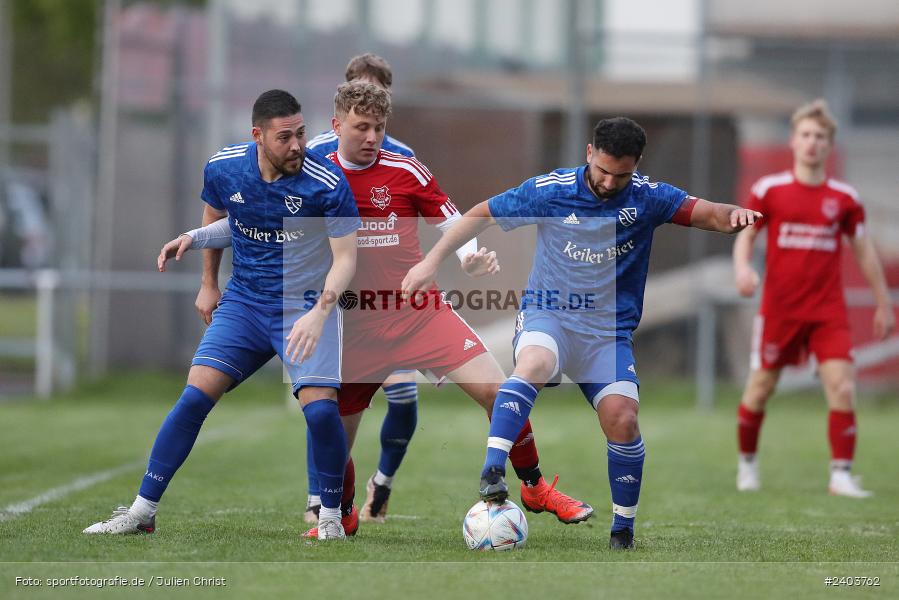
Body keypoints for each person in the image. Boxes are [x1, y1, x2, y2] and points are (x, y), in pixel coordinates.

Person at [165, 82, 594, 539]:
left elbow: (450, 217)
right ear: (336, 127)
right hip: (353, 326)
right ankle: (343, 509)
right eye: (362, 127)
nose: (372, 137)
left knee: (498, 390)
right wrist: (206, 263)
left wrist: (469, 253)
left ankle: (535, 487)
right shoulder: (311, 174)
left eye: (380, 128)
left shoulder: (405, 169)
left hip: (417, 314)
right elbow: (246, 218)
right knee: (332, 426)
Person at [401, 116, 762, 550]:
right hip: (549, 314)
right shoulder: (551, 190)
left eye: (621, 174)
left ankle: (622, 531)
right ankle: (493, 470)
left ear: (637, 164)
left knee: (623, 419)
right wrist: (430, 262)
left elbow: (711, 215)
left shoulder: (649, 198)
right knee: (534, 363)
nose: (609, 182)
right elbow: (480, 214)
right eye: (602, 170)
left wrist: (735, 215)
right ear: (589, 154)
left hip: (606, 333)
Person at [83, 90, 361, 541]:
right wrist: (207, 277)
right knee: (194, 398)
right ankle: (141, 511)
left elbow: (346, 259)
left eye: (302, 134)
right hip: (246, 303)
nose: (297, 145)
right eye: (285, 137)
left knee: (320, 413)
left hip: (307, 305)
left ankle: (330, 518)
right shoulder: (224, 166)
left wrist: (320, 313)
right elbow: (225, 218)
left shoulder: (325, 183)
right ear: (258, 136)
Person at [732, 99, 895, 497]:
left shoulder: (844, 198)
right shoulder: (769, 190)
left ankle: (841, 475)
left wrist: (883, 302)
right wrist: (742, 269)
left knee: (842, 387)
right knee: (760, 390)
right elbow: (746, 235)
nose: (812, 142)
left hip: (827, 313)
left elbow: (863, 250)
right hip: (780, 310)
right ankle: (747, 465)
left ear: (829, 145)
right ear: (793, 140)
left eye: (820, 136)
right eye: (805, 134)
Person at [305, 53, 417, 525]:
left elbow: (420, 221)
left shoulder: (404, 159)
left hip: (387, 301)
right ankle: (323, 498)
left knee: (404, 398)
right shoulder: (313, 152)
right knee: (332, 407)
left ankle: (382, 484)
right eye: (357, 90)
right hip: (334, 296)